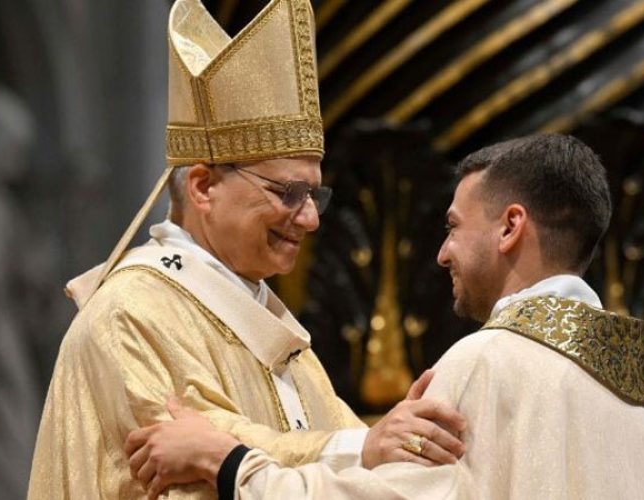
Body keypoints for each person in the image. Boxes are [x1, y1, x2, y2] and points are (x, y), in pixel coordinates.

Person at [27, 1, 464, 498]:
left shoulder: (274, 331)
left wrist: (388, 443)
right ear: (203, 186)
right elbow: (196, 454)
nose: (312, 218)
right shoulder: (131, 315)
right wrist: (359, 447)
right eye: (288, 194)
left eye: (316, 194)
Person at [126, 133, 644, 499]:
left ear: (510, 227)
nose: (442, 253)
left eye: (453, 227)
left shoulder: (492, 362)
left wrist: (224, 462)